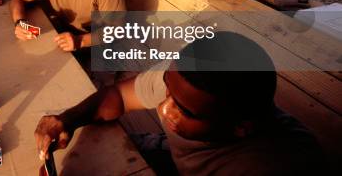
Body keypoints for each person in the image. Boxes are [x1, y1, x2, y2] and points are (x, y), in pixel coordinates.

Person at [34, 32, 325, 175]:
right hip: (171, 155)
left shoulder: (274, 165)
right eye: (167, 91)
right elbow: (117, 97)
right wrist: (66, 119)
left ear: (241, 128)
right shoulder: (185, 82)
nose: (163, 108)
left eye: (183, 110)